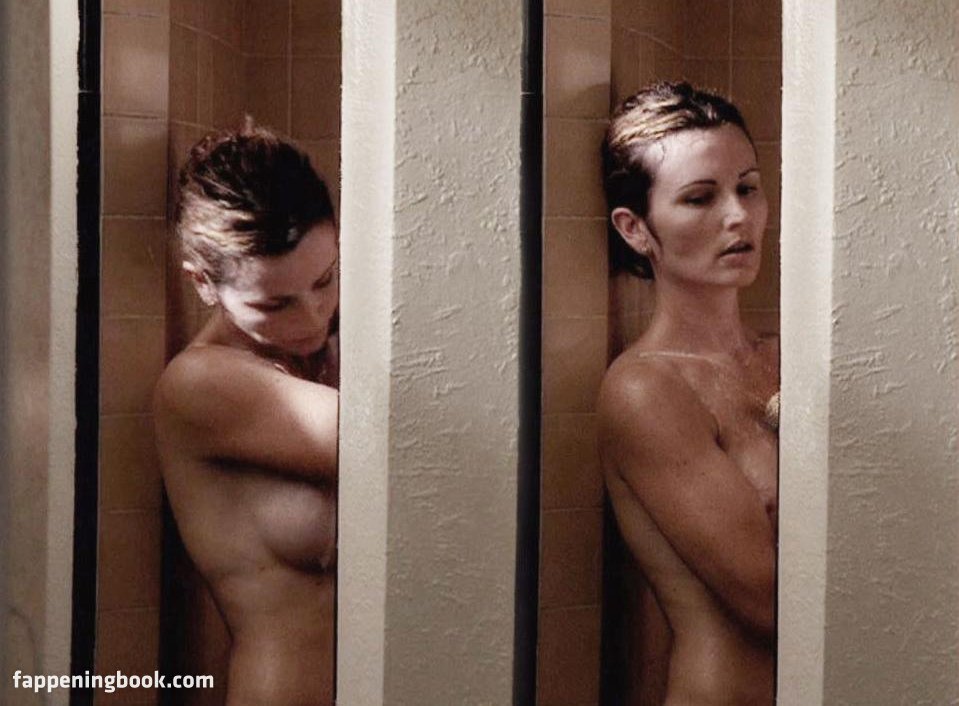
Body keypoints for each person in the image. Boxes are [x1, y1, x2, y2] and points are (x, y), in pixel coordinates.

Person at [598, 82, 779, 705]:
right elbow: (772, 601)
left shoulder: (786, 360)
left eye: (747, 188)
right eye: (700, 198)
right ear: (635, 229)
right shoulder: (645, 389)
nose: (738, 216)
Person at [154, 121, 339, 706]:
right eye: (274, 304)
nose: (312, 318)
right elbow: (401, 443)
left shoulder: (318, 357)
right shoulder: (201, 385)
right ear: (203, 283)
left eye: (325, 280)